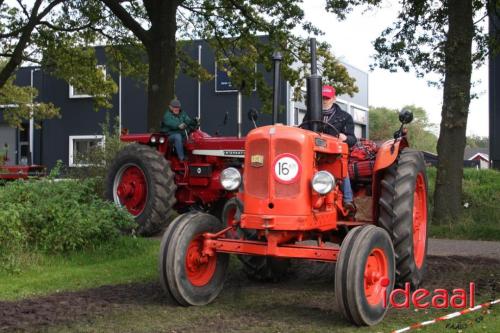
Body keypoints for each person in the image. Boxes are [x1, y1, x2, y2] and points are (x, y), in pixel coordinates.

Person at [303, 85, 357, 212]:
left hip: (333, 155)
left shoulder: (345, 117)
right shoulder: (311, 115)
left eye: (327, 97)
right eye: (322, 97)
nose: (325, 100)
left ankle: (348, 199)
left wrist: (345, 138)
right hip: (313, 153)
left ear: (334, 98)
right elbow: (304, 130)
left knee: (341, 167)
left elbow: (353, 139)